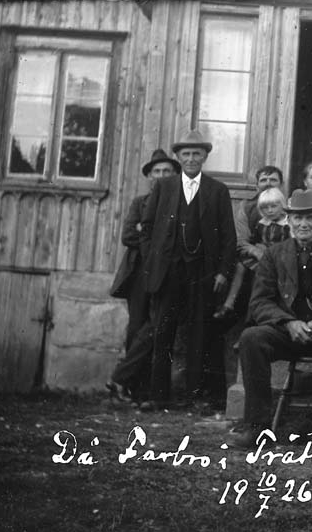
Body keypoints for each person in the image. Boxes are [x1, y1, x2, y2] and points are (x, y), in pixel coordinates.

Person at [228, 189, 312, 452]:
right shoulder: (274, 254)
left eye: (310, 218)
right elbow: (260, 302)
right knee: (251, 337)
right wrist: (288, 322)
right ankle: (257, 427)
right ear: (289, 221)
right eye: (298, 218)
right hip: (286, 333)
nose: (304, 224)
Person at [139, 130, 236, 411]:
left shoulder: (217, 190)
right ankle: (158, 396)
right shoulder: (164, 187)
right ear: (179, 157)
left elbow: (229, 237)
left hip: (203, 274)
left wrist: (223, 272)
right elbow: (146, 229)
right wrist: (153, 261)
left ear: (204, 157)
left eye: (196, 154)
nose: (191, 158)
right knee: (163, 333)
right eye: (186, 154)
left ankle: (195, 397)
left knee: (198, 335)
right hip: (168, 273)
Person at [106, 149, 180, 402]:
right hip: (140, 273)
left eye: (167, 171)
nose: (161, 175)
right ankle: (132, 388)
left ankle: (135, 383)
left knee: (158, 326)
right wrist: (155, 235)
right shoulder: (140, 203)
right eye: (156, 171)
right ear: (149, 177)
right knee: (137, 327)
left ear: (174, 175)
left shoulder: (179, 203)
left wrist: (147, 231)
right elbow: (129, 236)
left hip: (167, 274)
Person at [214, 187, 290, 319]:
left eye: (274, 206)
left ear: (282, 205)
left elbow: (289, 244)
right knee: (240, 266)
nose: (270, 210)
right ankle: (229, 302)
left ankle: (254, 313)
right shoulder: (262, 223)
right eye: (265, 208)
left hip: (279, 257)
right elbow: (255, 239)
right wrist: (255, 248)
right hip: (262, 253)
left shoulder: (287, 225)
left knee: (260, 275)